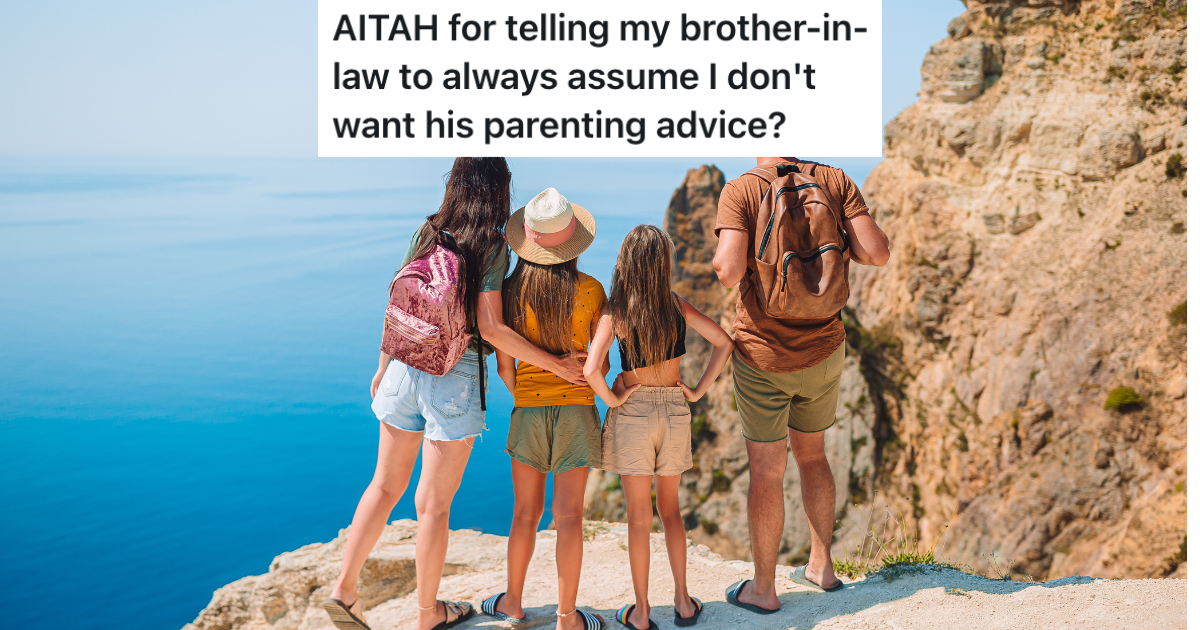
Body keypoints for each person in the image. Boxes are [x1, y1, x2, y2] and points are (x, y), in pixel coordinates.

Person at [323, 159, 591, 630]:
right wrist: (557, 366)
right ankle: (428, 613)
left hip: (404, 364)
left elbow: (399, 301)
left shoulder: (428, 230)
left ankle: (344, 590)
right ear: (499, 191)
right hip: (454, 375)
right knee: (434, 504)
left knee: (384, 486)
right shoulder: (491, 245)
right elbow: (490, 327)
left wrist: (383, 366)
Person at [712, 157, 890, 614]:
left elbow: (729, 272)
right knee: (814, 455)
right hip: (825, 349)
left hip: (764, 358)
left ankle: (764, 590)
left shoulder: (742, 190)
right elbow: (876, 253)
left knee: (767, 470)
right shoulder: (833, 179)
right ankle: (821, 567)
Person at [583, 225, 734, 630]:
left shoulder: (616, 310)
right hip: (672, 409)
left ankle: (643, 612)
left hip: (633, 414)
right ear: (662, 265)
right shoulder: (675, 305)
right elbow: (724, 342)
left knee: (638, 518)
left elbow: (592, 369)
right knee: (671, 511)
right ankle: (684, 603)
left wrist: (613, 399)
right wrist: (698, 391)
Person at [480, 188, 608, 630]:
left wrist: (527, 393)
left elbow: (503, 367)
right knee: (569, 515)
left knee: (524, 515)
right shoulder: (592, 290)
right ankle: (567, 617)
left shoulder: (510, 290)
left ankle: (512, 602)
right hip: (576, 410)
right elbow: (600, 364)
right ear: (574, 245)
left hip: (528, 411)